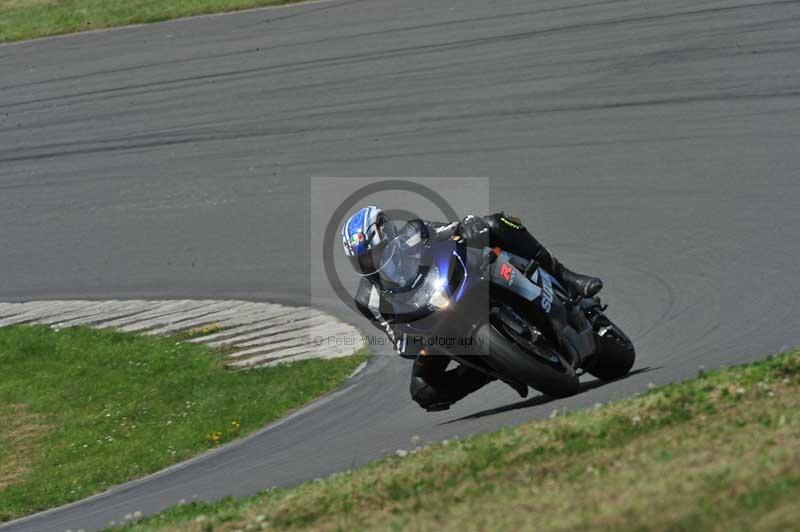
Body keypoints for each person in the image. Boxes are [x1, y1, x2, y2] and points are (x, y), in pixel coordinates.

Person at [341, 206, 603, 411]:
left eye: (372, 253)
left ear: (388, 237)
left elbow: (451, 230)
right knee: (423, 390)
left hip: (461, 283)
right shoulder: (368, 299)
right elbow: (396, 340)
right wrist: (413, 341)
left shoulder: (414, 233)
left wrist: (468, 226)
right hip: (438, 327)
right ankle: (497, 367)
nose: (369, 263)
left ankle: (565, 276)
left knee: (497, 223)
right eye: (361, 260)